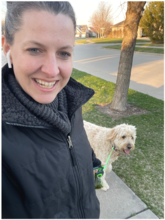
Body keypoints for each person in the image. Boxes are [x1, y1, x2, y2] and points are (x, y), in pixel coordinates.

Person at [2, 2, 102, 219]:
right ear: (7, 47)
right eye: (35, 49)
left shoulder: (70, 100)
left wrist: (93, 164)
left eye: (64, 53)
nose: (52, 70)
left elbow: (75, 143)